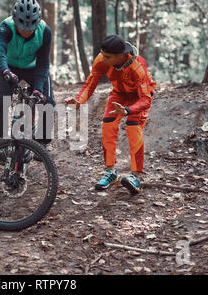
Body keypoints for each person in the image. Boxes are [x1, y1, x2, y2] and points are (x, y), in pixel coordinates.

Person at [65, 34, 156, 195]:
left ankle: (135, 177)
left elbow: (146, 99)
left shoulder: (137, 66)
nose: (102, 58)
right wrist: (79, 101)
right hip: (118, 94)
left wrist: (128, 110)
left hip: (139, 98)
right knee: (107, 124)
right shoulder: (101, 60)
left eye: (107, 57)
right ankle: (110, 172)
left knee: (133, 128)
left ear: (120, 56)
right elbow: (91, 82)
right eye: (102, 54)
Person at [0, 0, 55, 156]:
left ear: (37, 22)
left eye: (30, 28)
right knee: (0, 100)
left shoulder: (45, 32)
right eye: (22, 27)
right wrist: (5, 71)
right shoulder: (5, 28)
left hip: (33, 68)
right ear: (14, 20)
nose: (26, 31)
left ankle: (41, 143)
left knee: (48, 103)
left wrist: (39, 90)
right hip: (9, 66)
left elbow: (43, 63)